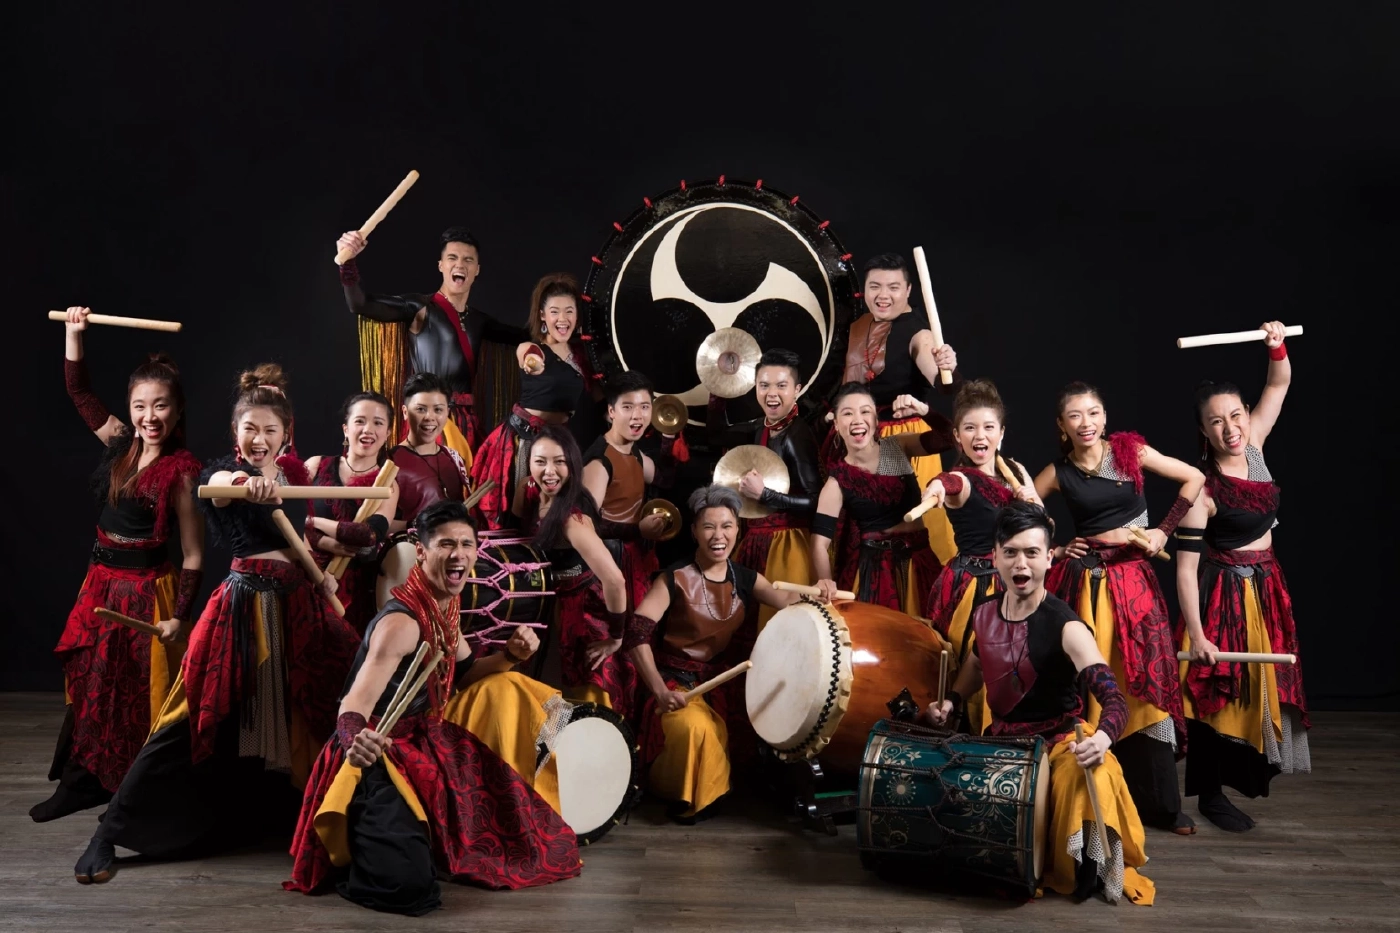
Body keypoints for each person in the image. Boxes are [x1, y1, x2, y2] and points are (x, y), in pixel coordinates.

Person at [70, 364, 360, 885]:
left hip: (298, 602)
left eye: (271, 430)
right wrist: (246, 483)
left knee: (334, 701)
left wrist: (320, 579)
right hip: (242, 604)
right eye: (250, 428)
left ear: (286, 434)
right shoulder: (218, 472)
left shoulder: (293, 476)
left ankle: (339, 825)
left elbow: (298, 538)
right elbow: (222, 489)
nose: (260, 438)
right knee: (186, 715)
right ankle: (108, 834)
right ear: (236, 433)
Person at [285, 501, 581, 913]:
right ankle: (355, 854)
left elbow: (466, 673)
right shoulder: (402, 624)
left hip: (422, 740)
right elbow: (354, 705)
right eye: (446, 544)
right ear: (422, 552)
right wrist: (359, 742)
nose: (458, 554)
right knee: (409, 888)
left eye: (466, 544)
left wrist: (511, 654)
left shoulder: (444, 605)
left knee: (523, 833)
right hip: (375, 751)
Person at [927, 502, 1154, 905]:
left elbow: (1115, 700)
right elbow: (977, 668)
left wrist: (1102, 739)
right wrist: (952, 701)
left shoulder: (1067, 625)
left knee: (1093, 777)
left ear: (1050, 558)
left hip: (1059, 743)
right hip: (1001, 743)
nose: (1021, 563)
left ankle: (1085, 871)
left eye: (1032, 552)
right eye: (1011, 552)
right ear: (994, 556)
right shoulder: (983, 614)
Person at [31, 308, 205, 823]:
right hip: (100, 585)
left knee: (136, 694)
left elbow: (193, 553)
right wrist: (74, 333)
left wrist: (181, 615)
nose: (150, 417)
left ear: (177, 411)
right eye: (140, 406)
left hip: (146, 593)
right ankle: (81, 783)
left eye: (161, 407)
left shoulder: (183, 470)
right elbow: (80, 393)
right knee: (89, 682)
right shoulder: (120, 444)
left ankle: (133, 792)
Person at [1033, 381, 1203, 835]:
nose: (1085, 423)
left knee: (1145, 681)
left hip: (1134, 583)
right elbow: (1024, 511)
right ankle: (1095, 803)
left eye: (1093, 413)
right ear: (1061, 426)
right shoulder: (1058, 471)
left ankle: (1163, 805)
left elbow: (1195, 478)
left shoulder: (1132, 452)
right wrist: (1053, 547)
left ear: (1105, 417)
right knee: (1093, 683)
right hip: (1087, 583)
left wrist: (1164, 530)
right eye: (1074, 415)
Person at [1175, 321, 1309, 831]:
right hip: (1223, 592)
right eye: (1217, 422)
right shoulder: (1202, 490)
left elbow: (1278, 383)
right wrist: (1198, 633)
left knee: (1257, 688)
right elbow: (1186, 572)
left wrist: (1276, 344)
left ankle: (1231, 783)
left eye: (1235, 415)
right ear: (1204, 432)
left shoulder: (1255, 444)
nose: (1231, 428)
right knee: (1216, 691)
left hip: (1266, 585)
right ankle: (1208, 794)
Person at [623, 486, 809, 821]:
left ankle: (713, 790)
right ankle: (690, 796)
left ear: (738, 529)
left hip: (722, 685)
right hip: (676, 686)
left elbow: (791, 602)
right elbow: (636, 632)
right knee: (696, 729)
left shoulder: (747, 578)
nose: (718, 535)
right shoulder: (673, 578)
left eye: (727, 525)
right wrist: (659, 690)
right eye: (709, 526)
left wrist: (820, 593)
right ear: (694, 532)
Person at [337, 226, 524, 463]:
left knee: (469, 494)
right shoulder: (419, 306)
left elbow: (525, 337)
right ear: (441, 266)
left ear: (476, 270)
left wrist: (558, 319)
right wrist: (348, 261)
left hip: (468, 423)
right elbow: (360, 304)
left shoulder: (479, 320)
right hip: (428, 421)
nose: (460, 264)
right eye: (452, 258)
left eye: (468, 260)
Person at [915, 379, 1038, 733]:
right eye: (970, 427)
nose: (979, 435)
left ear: (1001, 432)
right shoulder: (961, 477)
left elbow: (1043, 524)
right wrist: (935, 488)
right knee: (974, 669)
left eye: (988, 427)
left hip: (1019, 581)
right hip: (977, 588)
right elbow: (947, 484)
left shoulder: (1013, 471)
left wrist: (1029, 495)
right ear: (957, 435)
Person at [834, 253, 962, 561]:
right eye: (875, 286)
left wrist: (948, 368)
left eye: (893, 287)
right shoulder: (857, 325)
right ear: (863, 289)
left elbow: (944, 383)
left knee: (904, 530)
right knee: (862, 533)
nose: (883, 295)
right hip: (859, 437)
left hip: (901, 441)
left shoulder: (919, 333)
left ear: (908, 290)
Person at [515, 425, 634, 714]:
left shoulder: (573, 519)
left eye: (560, 462)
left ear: (573, 463)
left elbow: (615, 580)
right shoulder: (530, 490)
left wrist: (616, 638)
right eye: (540, 462)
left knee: (581, 703)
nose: (550, 471)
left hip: (578, 612)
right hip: (544, 603)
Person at [812, 382, 955, 616]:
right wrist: (825, 581)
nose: (858, 419)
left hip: (920, 560)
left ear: (876, 420)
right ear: (836, 424)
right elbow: (820, 543)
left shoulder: (898, 446)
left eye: (865, 411)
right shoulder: (836, 482)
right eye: (847, 413)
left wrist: (924, 411)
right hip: (876, 572)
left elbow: (949, 438)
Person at [706, 348, 821, 628]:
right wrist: (717, 392)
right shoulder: (763, 426)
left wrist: (766, 495)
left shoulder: (797, 435)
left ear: (797, 389)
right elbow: (716, 435)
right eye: (764, 385)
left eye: (781, 386)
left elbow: (817, 501)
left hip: (787, 546)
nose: (772, 393)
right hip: (756, 540)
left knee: (778, 628)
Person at [472, 274, 596, 529]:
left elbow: (599, 394)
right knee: (518, 511)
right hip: (524, 441)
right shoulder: (530, 347)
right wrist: (534, 364)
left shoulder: (582, 355)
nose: (563, 319)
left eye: (569, 311)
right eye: (555, 312)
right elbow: (529, 358)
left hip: (558, 442)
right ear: (542, 316)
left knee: (551, 514)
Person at [582, 371, 682, 608]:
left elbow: (664, 479)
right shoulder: (599, 462)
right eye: (628, 407)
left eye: (644, 407)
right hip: (608, 563)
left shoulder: (633, 451)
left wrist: (668, 436)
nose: (638, 415)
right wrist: (639, 529)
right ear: (611, 411)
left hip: (636, 557)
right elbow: (586, 526)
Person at [304, 392, 400, 635]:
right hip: (308, 577)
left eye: (378, 423)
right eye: (360, 421)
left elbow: (368, 537)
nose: (368, 429)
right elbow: (285, 520)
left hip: (358, 592)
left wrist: (312, 522)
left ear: (388, 433)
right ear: (346, 429)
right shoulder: (316, 466)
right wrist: (321, 540)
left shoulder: (387, 484)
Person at [389, 372, 470, 531]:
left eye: (438, 410)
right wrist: (417, 525)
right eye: (420, 409)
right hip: (410, 551)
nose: (430, 417)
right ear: (405, 412)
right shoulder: (389, 461)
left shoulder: (454, 458)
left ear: (447, 412)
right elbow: (374, 525)